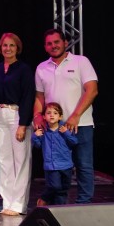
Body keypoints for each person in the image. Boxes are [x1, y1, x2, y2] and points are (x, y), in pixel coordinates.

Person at [33, 29, 98, 204]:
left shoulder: (81, 61)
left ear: (65, 43)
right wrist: (37, 115)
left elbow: (92, 90)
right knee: (56, 167)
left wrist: (76, 115)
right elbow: (39, 97)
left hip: (80, 123)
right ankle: (58, 204)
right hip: (54, 128)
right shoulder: (41, 68)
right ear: (45, 47)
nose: (53, 46)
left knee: (83, 165)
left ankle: (84, 204)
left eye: (56, 42)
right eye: (49, 43)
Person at [0, 32, 35, 216]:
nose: (7, 48)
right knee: (5, 161)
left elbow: (28, 97)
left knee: (21, 161)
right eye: (5, 45)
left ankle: (18, 204)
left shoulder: (24, 69)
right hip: (0, 115)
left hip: (17, 115)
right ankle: (7, 202)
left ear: (17, 48)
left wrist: (23, 124)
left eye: (11, 45)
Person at [32, 102, 78, 205]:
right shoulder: (43, 131)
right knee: (55, 186)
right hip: (51, 166)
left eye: (55, 113)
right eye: (48, 113)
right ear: (44, 116)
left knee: (63, 189)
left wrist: (66, 133)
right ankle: (44, 198)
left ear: (60, 117)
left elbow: (74, 142)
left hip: (66, 165)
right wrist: (35, 136)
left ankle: (58, 209)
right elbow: (38, 145)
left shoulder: (65, 129)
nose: (52, 115)